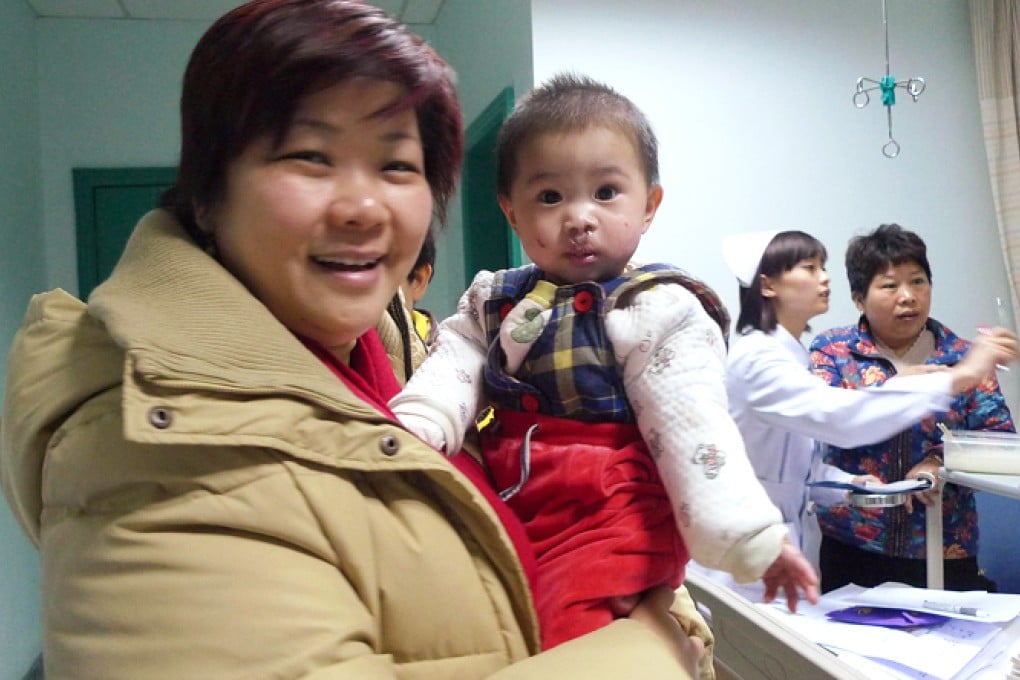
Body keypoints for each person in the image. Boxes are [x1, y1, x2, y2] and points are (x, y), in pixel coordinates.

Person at [0, 2, 710, 678]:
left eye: (397, 166)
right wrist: (655, 639)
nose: (364, 208)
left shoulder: (385, 349)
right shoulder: (155, 462)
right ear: (209, 193)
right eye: (309, 156)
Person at [390, 73, 819, 651]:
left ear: (650, 206)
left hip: (614, 507)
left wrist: (749, 538)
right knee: (496, 610)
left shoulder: (656, 309)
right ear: (511, 212)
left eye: (606, 192)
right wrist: (420, 422)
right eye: (549, 197)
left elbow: (693, 424)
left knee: (567, 633)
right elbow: (456, 360)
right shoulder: (495, 299)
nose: (579, 217)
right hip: (522, 492)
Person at [714, 229, 1017, 589]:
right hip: (819, 546)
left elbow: (801, 464)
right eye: (810, 268)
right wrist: (959, 376)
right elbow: (839, 418)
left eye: (918, 281)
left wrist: (851, 482)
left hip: (939, 539)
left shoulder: (787, 353)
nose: (824, 278)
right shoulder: (771, 358)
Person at [809, 223, 1017, 592]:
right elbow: (827, 421)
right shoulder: (834, 351)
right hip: (853, 543)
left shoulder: (965, 356)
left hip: (944, 543)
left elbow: (997, 440)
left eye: (918, 281)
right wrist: (896, 388)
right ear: (859, 298)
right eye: (890, 285)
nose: (908, 296)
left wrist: (939, 461)